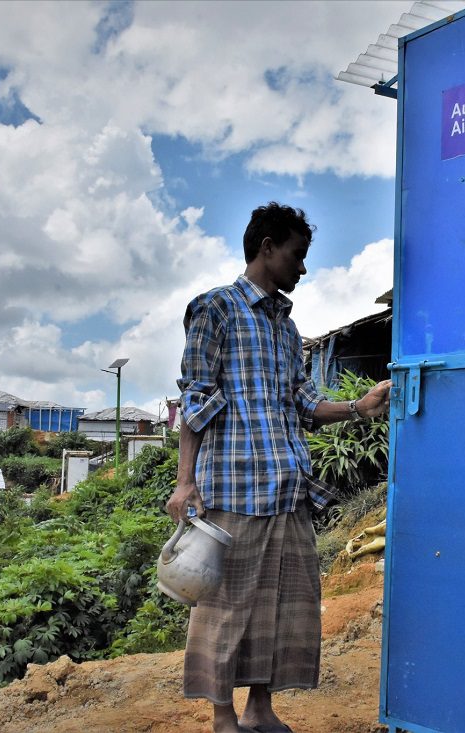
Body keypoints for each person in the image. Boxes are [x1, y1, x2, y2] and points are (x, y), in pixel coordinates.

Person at [167, 202, 393, 733]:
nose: (303, 267)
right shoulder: (215, 310)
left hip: (288, 490)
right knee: (225, 607)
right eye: (298, 254)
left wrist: (360, 407)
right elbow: (197, 398)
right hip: (233, 492)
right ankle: (224, 717)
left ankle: (260, 709)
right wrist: (185, 482)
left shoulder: (288, 331)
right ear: (266, 247)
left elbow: (305, 404)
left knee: (281, 603)